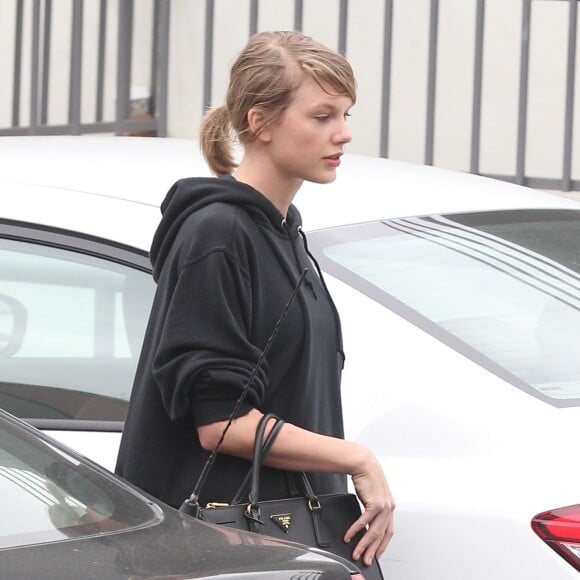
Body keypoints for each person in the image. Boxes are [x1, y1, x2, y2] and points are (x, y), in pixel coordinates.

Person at [115, 30, 395, 567]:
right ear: (260, 122)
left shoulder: (285, 233)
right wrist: (358, 460)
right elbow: (221, 422)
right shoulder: (217, 235)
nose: (344, 133)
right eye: (322, 116)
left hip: (287, 542)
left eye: (346, 114)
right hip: (224, 550)